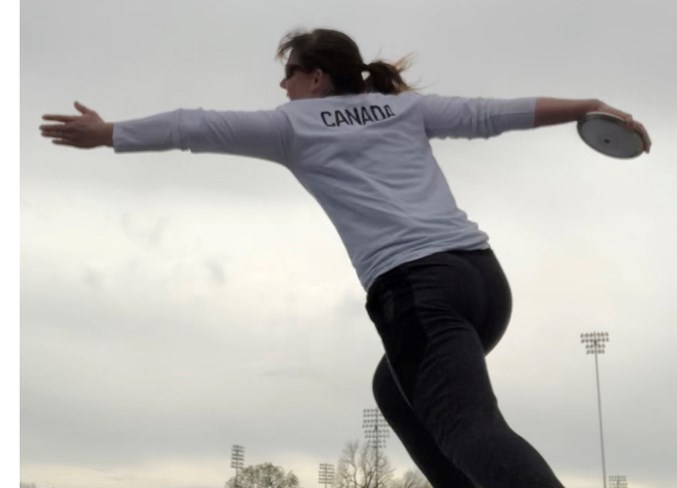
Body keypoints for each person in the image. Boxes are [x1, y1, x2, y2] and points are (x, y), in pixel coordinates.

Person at [40, 28, 651, 488]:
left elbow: (192, 126)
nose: (281, 86)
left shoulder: (294, 125)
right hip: (482, 281)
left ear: (315, 79)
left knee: (469, 427)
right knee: (395, 388)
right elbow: (493, 114)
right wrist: (584, 104)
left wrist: (110, 133)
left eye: (289, 73)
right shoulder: (404, 109)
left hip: (418, 291)